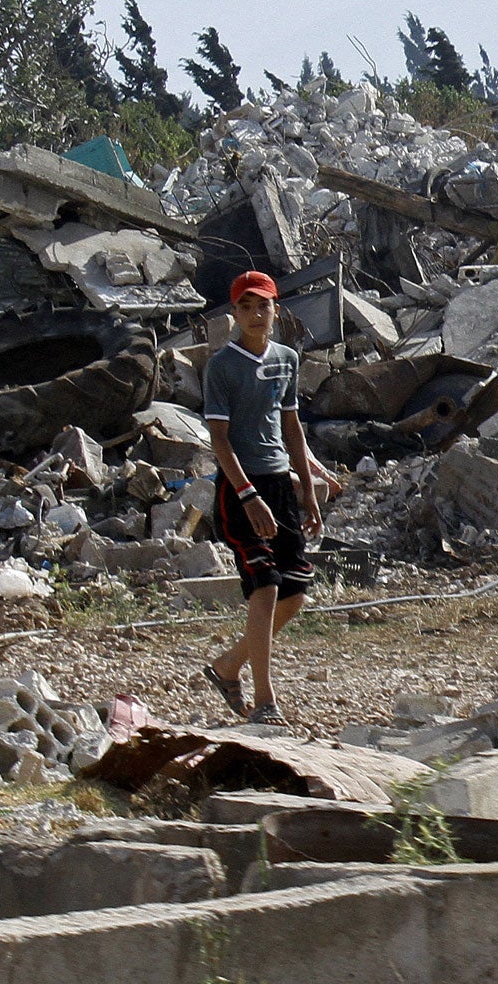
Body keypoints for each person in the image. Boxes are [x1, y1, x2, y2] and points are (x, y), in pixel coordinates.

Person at [201, 271, 323, 725]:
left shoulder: (287, 359)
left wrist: (307, 488)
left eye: (263, 305)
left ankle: (228, 665)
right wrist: (249, 496)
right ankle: (265, 700)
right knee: (266, 584)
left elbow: (291, 426)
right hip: (241, 488)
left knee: (296, 594)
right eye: (246, 306)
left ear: (276, 311)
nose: (256, 314)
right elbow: (220, 439)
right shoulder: (222, 366)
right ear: (235, 313)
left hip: (279, 483)